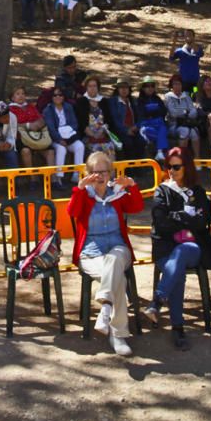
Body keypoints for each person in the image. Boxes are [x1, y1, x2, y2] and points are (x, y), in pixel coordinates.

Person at [68, 151, 144, 356]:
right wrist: (80, 189)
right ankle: (118, 333)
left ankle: (106, 307)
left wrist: (132, 186)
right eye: (95, 172)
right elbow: (73, 213)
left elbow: (137, 206)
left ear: (110, 173)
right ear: (88, 174)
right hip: (91, 252)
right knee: (116, 275)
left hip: (118, 247)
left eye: (104, 171)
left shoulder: (116, 194)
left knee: (115, 260)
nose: (100, 176)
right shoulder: (84, 195)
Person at [145, 147, 211, 350]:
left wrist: (176, 216)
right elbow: (160, 223)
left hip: (193, 247)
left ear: (187, 167)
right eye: (168, 166)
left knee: (184, 250)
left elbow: (202, 222)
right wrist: (187, 219)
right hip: (165, 247)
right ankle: (178, 329)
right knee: (176, 269)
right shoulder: (162, 191)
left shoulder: (197, 191)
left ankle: (158, 300)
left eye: (176, 166)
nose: (171, 171)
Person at [8, 86, 56, 182]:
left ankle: (52, 179)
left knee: (50, 151)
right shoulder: (10, 110)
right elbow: (12, 125)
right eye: (17, 94)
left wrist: (38, 124)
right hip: (21, 137)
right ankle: (32, 178)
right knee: (25, 151)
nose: (21, 96)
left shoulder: (31, 107)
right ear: (13, 98)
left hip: (38, 135)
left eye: (23, 93)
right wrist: (28, 126)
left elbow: (41, 119)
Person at [43, 87, 85, 185]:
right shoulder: (48, 110)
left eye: (60, 95)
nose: (58, 97)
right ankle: (59, 177)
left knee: (80, 146)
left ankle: (77, 175)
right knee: (61, 149)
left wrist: (69, 134)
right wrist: (59, 139)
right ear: (52, 97)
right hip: (56, 139)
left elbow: (75, 124)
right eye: (55, 95)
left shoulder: (68, 107)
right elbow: (51, 129)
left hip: (69, 137)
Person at [75, 75, 115, 160]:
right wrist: (93, 135)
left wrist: (103, 133)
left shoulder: (103, 101)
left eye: (94, 86)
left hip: (103, 134)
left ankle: (111, 173)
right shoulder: (81, 101)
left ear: (98, 87)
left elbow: (108, 120)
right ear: (86, 88)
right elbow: (81, 123)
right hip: (88, 136)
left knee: (110, 148)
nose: (92, 88)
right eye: (90, 86)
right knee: (96, 148)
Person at [164, 74, 201, 158]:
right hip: (174, 125)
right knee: (184, 131)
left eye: (179, 84)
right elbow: (173, 113)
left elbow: (194, 111)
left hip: (187, 123)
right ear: (171, 86)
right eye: (175, 84)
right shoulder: (168, 97)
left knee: (194, 132)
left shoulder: (186, 96)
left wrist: (184, 113)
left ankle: (197, 159)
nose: (177, 86)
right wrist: (186, 112)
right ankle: (182, 159)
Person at [108, 78, 146, 159]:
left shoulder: (133, 101)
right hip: (120, 131)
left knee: (141, 142)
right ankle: (129, 169)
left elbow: (140, 116)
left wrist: (136, 126)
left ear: (129, 89)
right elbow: (115, 120)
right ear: (117, 89)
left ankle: (139, 168)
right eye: (121, 88)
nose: (124, 90)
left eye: (126, 88)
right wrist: (126, 130)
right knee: (128, 143)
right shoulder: (113, 102)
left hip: (134, 129)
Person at [136, 76, 169, 161]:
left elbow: (163, 111)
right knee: (145, 131)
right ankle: (160, 150)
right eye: (147, 86)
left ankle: (160, 153)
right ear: (143, 88)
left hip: (159, 124)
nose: (150, 88)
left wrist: (150, 110)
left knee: (163, 128)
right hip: (147, 125)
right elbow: (142, 113)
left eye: (152, 86)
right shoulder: (140, 100)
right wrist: (154, 110)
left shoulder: (157, 98)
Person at [168, 29, 203, 94]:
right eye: (186, 35)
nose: (188, 37)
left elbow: (199, 53)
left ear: (194, 37)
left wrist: (191, 42)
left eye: (190, 35)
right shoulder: (180, 51)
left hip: (195, 81)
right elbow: (171, 57)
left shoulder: (198, 48)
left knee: (195, 96)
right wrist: (174, 41)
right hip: (184, 81)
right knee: (184, 96)